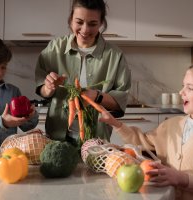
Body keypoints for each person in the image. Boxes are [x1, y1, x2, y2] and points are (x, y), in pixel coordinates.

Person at [99, 61, 193, 200]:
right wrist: (114, 123)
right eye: (183, 86)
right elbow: (142, 141)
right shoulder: (172, 125)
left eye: (190, 88)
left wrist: (180, 178)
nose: (181, 92)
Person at [34, 0, 131, 142]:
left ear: (101, 23)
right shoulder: (54, 48)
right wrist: (48, 87)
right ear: (70, 20)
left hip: (97, 138)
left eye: (92, 24)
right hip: (57, 136)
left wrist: (97, 96)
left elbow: (120, 101)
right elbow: (41, 89)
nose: (85, 30)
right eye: (79, 22)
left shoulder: (115, 56)